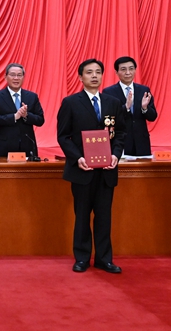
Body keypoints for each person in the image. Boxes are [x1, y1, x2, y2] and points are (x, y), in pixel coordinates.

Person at [57, 58, 127, 274]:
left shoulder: (113, 102)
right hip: (82, 170)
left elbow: (120, 133)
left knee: (104, 216)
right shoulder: (70, 102)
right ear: (80, 77)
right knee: (82, 216)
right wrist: (77, 157)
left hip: (106, 170)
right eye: (89, 72)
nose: (94, 76)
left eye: (98, 72)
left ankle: (104, 259)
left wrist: (115, 155)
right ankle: (82, 258)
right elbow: (63, 136)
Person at [0, 63, 45, 158]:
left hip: (27, 147)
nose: (16, 78)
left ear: (23, 77)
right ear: (5, 77)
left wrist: (26, 115)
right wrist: (14, 117)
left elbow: (40, 120)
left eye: (19, 75)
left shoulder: (32, 96)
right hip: (5, 148)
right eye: (12, 75)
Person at [103, 56, 157, 156]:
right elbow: (109, 118)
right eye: (123, 69)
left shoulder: (143, 90)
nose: (128, 72)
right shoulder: (109, 92)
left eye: (131, 69)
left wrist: (145, 108)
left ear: (135, 70)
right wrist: (126, 107)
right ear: (116, 72)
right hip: (120, 141)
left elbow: (153, 117)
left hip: (141, 141)